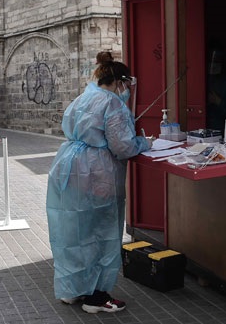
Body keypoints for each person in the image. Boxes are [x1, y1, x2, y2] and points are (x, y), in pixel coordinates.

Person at [46, 60, 152, 314]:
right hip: (98, 173)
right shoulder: (113, 104)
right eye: (126, 84)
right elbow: (123, 146)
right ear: (120, 82)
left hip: (69, 168)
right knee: (101, 234)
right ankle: (96, 297)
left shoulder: (84, 97)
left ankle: (73, 289)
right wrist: (145, 143)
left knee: (75, 233)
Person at [205, 48, 226, 131]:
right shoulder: (202, 79)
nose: (213, 65)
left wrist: (218, 101)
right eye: (211, 61)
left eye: (216, 61)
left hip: (222, 127)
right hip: (203, 126)